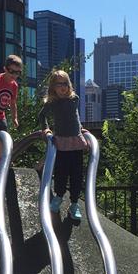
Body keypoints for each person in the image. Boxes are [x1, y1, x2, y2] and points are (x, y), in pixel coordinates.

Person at [39, 69, 88, 220]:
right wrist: (46, 129)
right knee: (61, 173)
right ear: (53, 86)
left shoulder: (74, 99)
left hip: (75, 142)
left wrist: (80, 129)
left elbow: (75, 116)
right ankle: (58, 197)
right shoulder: (52, 102)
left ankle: (74, 204)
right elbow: (42, 115)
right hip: (61, 142)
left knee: (76, 175)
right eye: (59, 84)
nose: (62, 87)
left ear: (69, 85)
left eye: (65, 83)